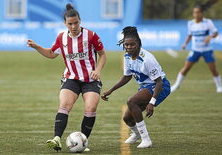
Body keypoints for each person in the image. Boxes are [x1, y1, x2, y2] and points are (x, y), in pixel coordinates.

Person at [27, 4, 106, 152]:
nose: (74, 26)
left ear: (79, 21)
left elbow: (102, 54)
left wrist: (97, 69)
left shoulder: (91, 36)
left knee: (90, 107)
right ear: (65, 24)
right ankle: (57, 139)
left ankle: (83, 141)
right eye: (70, 23)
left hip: (90, 79)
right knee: (64, 105)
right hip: (71, 78)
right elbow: (51, 54)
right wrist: (36, 47)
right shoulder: (61, 37)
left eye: (76, 22)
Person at [101, 26, 170, 148]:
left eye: (132, 45)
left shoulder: (148, 59)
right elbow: (127, 77)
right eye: (126, 45)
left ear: (138, 44)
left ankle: (146, 139)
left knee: (131, 101)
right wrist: (111, 90)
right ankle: (137, 134)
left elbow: (159, 82)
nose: (128, 47)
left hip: (160, 86)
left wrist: (152, 103)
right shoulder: (127, 56)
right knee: (127, 118)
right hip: (145, 87)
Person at [171, 4, 222, 93]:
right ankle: (176, 85)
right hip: (195, 50)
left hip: (207, 50)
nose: (196, 14)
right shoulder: (190, 23)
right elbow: (190, 35)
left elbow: (215, 33)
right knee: (186, 68)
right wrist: (185, 44)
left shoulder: (208, 22)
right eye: (194, 12)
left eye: (198, 12)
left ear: (202, 13)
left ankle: (219, 87)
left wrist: (209, 37)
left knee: (213, 69)